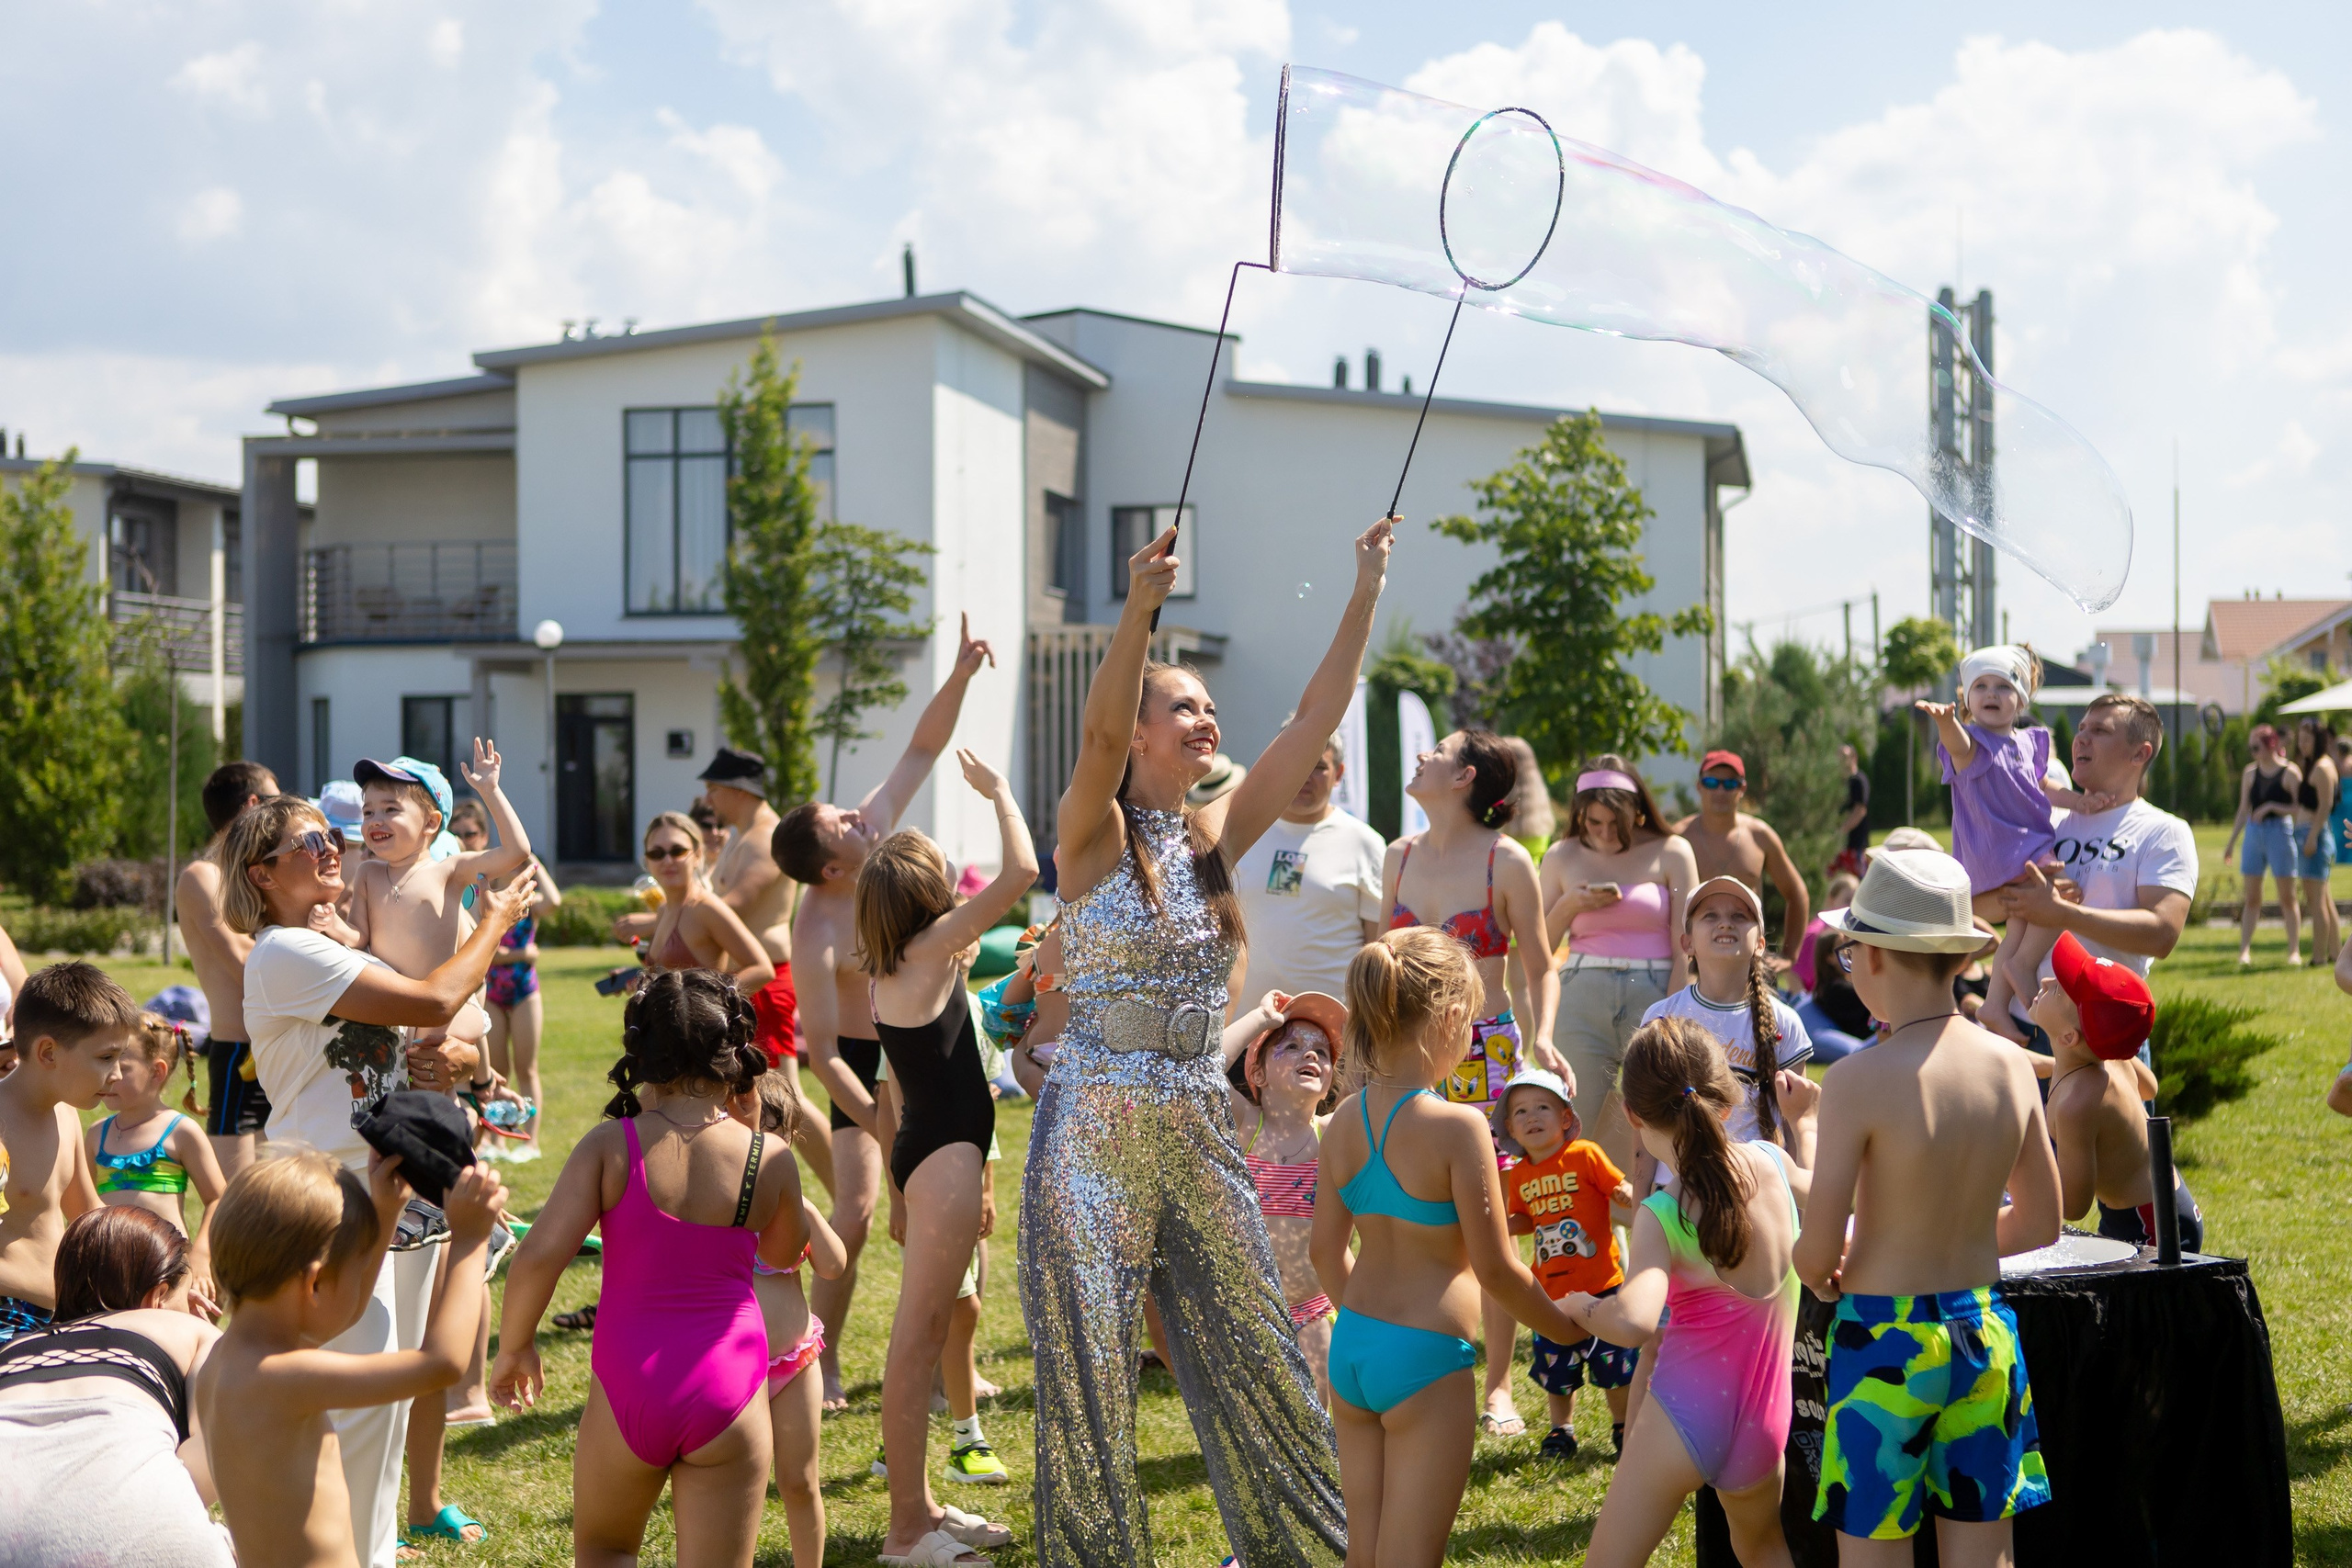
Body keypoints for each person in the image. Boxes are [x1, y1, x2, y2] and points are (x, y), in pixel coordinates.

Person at [1024, 516, 1393, 1568]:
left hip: (1193, 1121)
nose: (1204, 717)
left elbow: (1314, 714)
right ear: (1140, 730)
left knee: (1256, 1352)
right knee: (1091, 1378)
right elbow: (1094, 743)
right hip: (1089, 1133)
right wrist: (1140, 610)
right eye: (1181, 704)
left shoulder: (1212, 834)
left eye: (1207, 707)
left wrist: (1363, 586)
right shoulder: (1091, 838)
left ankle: (1296, 1555)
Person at [221, 794, 529, 1568]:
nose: (332, 848)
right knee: (361, 1405)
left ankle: (374, 1550)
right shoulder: (285, 951)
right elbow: (432, 995)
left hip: (388, 1187)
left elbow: (425, 1027)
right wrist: (495, 920)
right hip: (329, 1200)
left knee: (381, 1408)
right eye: (309, 841)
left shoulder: (331, 944)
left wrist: (462, 1061)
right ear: (261, 873)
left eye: (331, 837)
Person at [491, 970, 824, 1567]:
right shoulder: (766, 1156)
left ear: (641, 1051)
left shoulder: (610, 1145)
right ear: (732, 1050)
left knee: (606, 1547)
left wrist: (516, 1345)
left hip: (630, 1383)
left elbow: (540, 1253)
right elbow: (780, 1254)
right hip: (729, 1388)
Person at [1797, 848, 2061, 1555]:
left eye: (1848, 951)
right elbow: (2042, 1219)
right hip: (1984, 1329)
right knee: (1986, 1553)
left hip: (1883, 1338)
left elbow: (1818, 1252)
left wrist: (1822, 1262)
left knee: (1874, 1551)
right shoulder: (2009, 1063)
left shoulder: (1856, 1078)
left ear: (1875, 957)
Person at [1310, 928, 1591, 1567]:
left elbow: (1326, 1250)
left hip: (1354, 1347)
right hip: (1425, 1359)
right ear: (1450, 1018)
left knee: (1366, 1551)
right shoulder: (1458, 1124)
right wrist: (1567, 1330)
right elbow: (1496, 1268)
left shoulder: (1344, 1119)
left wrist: (1369, 1328)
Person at [779, 613, 993, 1414]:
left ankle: (949, 1368)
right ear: (832, 865)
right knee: (861, 1210)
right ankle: (820, 1364)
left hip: (930, 1049)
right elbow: (821, 1048)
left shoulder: (873, 841)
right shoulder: (816, 927)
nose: (862, 813)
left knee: (958, 1212)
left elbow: (921, 747)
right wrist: (876, 1120)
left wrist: (964, 671)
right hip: (863, 1073)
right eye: (843, 821)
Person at [858, 750, 1034, 1563]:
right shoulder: (931, 951)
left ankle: (922, 1502)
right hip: (948, 1159)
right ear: (929, 901)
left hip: (930, 1152)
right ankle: (904, 1531)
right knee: (917, 1339)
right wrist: (999, 792)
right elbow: (1025, 869)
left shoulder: (900, 964)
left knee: (924, 1336)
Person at [1566, 1017, 1817, 1568]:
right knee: (1764, 1550)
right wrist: (1808, 1124)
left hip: (1683, 1416)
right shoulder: (1776, 1166)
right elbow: (1826, 1202)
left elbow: (1633, 1322)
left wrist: (1581, 1307)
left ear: (1633, 1116)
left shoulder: (1662, 1212)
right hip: (1764, 1421)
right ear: (1724, 1100)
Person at [1384, 726, 1566, 1438]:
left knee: (1490, 1225)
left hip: (1485, 1055)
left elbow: (1541, 966)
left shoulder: (1506, 859)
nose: (1422, 752)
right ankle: (1423, 1359)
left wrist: (1543, 1037)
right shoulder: (1396, 855)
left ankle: (1496, 1389)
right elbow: (1378, 961)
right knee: (1402, 1213)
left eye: (1438, 749)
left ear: (1465, 778)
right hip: (1403, 1055)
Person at [198, 1148, 504, 1568]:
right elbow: (442, 1364)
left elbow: (348, 1307)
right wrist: (471, 1242)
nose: (365, 1282)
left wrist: (385, 1210)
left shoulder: (230, 1357)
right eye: (359, 1269)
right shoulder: (285, 1375)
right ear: (315, 1284)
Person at [0, 1206, 232, 1568]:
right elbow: (217, 1450)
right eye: (184, 1298)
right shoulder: (188, 1331)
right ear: (158, 1297)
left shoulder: (12, 1349)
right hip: (136, 1524)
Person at [1917, 646, 2114, 1041]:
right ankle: (2021, 968)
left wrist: (2079, 800)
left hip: (2025, 847)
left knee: (2025, 921)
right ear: (1967, 699)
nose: (1991, 694)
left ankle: (1995, 1003)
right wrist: (1945, 724)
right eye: (1981, 686)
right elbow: (1957, 747)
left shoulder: (2028, 743)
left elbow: (2043, 785)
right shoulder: (1972, 742)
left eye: (2003, 687)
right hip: (2001, 850)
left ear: (2021, 698)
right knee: (2060, 899)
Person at [1543, 758, 1701, 1175]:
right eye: (1595, 823)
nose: (1606, 834)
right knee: (1571, 1119)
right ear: (1579, 814)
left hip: (1652, 991)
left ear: (1640, 810)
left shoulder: (1671, 850)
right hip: (1581, 989)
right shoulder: (1562, 855)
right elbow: (1539, 945)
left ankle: (1656, 1220)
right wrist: (1569, 905)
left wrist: (1674, 1010)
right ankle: (1581, 1226)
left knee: (1661, 1118)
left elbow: (1684, 942)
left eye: (1618, 823)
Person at [1993, 694, 2199, 999]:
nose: (2081, 739)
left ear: (2140, 754)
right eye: (2081, 728)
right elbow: (1989, 902)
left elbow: (2162, 933)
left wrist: (2062, 914)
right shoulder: (2045, 824)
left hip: (2101, 1032)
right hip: (2026, 1025)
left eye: (2100, 731)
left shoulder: (2163, 830)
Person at [729, 1070, 848, 1568]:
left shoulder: (795, 1208)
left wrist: (809, 1215)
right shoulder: (718, 1204)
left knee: (799, 1481)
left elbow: (835, 1265)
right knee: (739, 1487)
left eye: (770, 1128)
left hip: (793, 1362)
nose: (756, 1141)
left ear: (790, 1135)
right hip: (734, 1369)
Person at [702, 747, 832, 1192]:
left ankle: (848, 1189)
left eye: (712, 788)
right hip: (749, 978)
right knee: (763, 1093)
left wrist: (660, 916)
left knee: (786, 1095)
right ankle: (845, 1188)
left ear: (736, 790)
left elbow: (732, 907)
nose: (707, 798)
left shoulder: (763, 838)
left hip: (767, 977)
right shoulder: (744, 835)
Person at [1494, 1068, 1634, 1461]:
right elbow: (1525, 1219)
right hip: (1551, 1293)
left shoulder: (1585, 1155)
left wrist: (1624, 1192)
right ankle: (1561, 1429)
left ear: (1566, 1118)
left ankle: (1622, 1425)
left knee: (1614, 1364)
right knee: (1558, 1370)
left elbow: (1614, 1186)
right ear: (1510, 1128)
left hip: (1602, 1284)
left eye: (1543, 1107)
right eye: (1521, 1112)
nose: (1532, 1117)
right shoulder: (1521, 1174)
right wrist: (1503, 1223)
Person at [2030, 933, 2203, 1251]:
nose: (2044, 980)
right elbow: (2149, 1086)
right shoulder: (2106, 1058)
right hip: (2164, 1203)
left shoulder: (2076, 1106)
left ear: (2069, 1037)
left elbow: (2073, 1207)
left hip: (2151, 1226)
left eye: (2056, 989)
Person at [0, 963, 138, 1344]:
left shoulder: (65, 1112)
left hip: (62, 1312)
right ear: (48, 1053)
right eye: (106, 1058)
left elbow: (88, 1213)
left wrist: (155, 1269)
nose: (118, 1075)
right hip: (9, 1315)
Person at [1223, 990, 1348, 1404]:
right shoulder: (1246, 1125)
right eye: (1290, 1046)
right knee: (1253, 1414)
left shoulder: (1332, 1134)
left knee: (1316, 1409)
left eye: (1322, 1052)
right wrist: (1260, 1018)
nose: (1310, 1055)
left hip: (1312, 1306)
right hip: (1245, 1306)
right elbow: (1201, 1071)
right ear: (1257, 1075)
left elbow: (1387, 1093)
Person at [1641, 876, 1815, 1155]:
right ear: (1687, 943)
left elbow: (1795, 1122)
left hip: (1758, 1181)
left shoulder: (1784, 1021)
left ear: (1760, 944)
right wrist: (1643, 1191)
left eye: (1739, 916)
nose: (1725, 923)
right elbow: (1645, 1122)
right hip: (1675, 1185)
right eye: (1710, 916)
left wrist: (1792, 1190)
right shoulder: (1662, 1017)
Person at [175, 760, 281, 1180]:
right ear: (253, 805)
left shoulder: (252, 875)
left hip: (280, 1049)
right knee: (235, 1204)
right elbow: (245, 964)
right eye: (276, 801)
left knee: (294, 1201)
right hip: (241, 1053)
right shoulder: (204, 876)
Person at [347, 746, 533, 984]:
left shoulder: (449, 870)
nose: (375, 821)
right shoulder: (367, 874)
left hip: (442, 1010)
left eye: (390, 809)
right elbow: (358, 936)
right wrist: (330, 923)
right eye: (368, 812)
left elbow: (516, 851)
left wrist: (491, 791)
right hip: (393, 1009)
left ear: (431, 823)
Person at [1235, 729, 1386, 1001]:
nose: (1305, 774)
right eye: (1297, 761)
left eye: (1318, 767)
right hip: (1243, 1023)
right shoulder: (1240, 831)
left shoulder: (1365, 842)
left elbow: (1376, 948)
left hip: (1332, 1028)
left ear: (1339, 773)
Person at [86, 1014, 228, 1302]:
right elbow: (86, 1205)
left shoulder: (180, 1132)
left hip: (168, 1266)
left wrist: (201, 1254)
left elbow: (218, 1198)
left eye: (121, 1068)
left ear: (156, 1072)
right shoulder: (95, 1134)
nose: (109, 1075)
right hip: (110, 1269)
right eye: (104, 1062)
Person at [450, 799, 561, 1162]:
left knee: (527, 1068)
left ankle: (529, 1140)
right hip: (491, 990)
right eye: (457, 834)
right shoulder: (470, 888)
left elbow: (554, 903)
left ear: (485, 836)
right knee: (497, 1070)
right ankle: (498, 1139)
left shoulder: (517, 886)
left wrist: (533, 861)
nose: (465, 840)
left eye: (471, 833)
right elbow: (480, 949)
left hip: (525, 990)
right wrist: (519, 955)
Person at [1671, 750, 1809, 970]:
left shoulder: (1759, 836)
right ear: (1699, 786)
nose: (1720, 790)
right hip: (1693, 961)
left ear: (1742, 788)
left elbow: (1797, 893)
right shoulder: (1679, 837)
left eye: (1729, 784)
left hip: (1748, 960)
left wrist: (1789, 955)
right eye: (1711, 782)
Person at [640, 811, 778, 994]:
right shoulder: (664, 910)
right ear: (647, 861)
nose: (667, 860)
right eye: (656, 853)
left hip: (702, 1023)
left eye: (677, 851)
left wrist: (709, 1000)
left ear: (697, 855)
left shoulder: (705, 907)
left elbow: (762, 969)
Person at [2224, 722, 2304, 967]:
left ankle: (2294, 951)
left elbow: (2300, 810)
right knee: (2252, 898)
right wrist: (2231, 843)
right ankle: (2244, 951)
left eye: (2255, 747)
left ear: (2270, 745)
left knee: (2287, 896)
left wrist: (2271, 807)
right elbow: (2242, 810)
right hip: (2254, 833)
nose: (2252, 752)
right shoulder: (2250, 773)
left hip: (2280, 831)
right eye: (2250, 748)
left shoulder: (2290, 772)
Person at [2294, 717, 2342, 965]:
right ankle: (2336, 953)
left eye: (2307, 739)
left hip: (2314, 835)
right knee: (2324, 900)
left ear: (2318, 740)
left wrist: (2311, 837)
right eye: (2300, 739)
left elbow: (2325, 806)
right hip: (2311, 833)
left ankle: (2318, 957)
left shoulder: (2323, 767)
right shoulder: (2318, 764)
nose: (2302, 745)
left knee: (2316, 902)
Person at [1831, 742, 1871, 878]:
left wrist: (1841, 831)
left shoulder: (1858, 781)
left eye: (1844, 756)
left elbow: (1859, 811)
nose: (1841, 760)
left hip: (1856, 845)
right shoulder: (1839, 783)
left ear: (1854, 758)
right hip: (1841, 847)